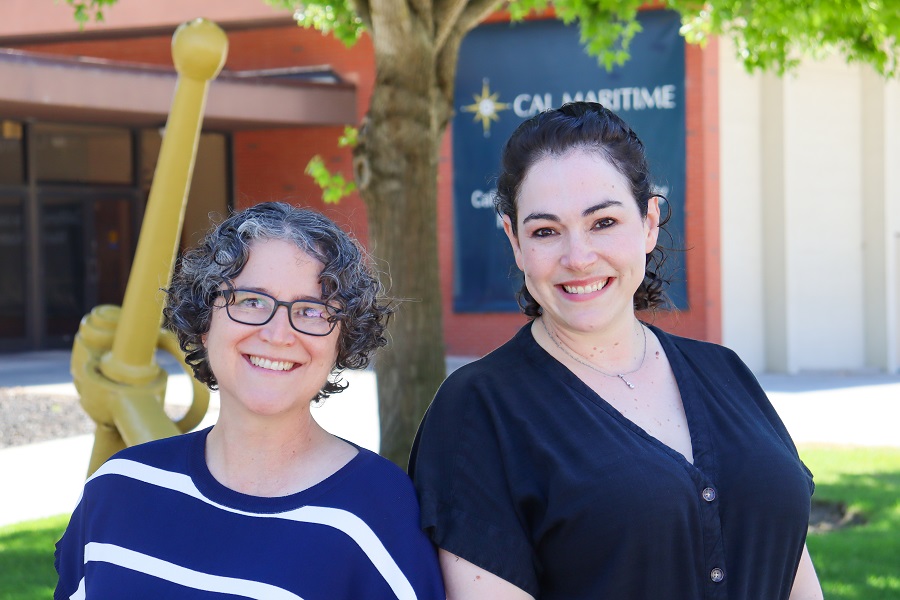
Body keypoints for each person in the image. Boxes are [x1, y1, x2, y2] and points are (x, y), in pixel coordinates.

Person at [409, 102, 823, 599]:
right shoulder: (479, 410)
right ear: (515, 242)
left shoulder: (726, 372)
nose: (578, 258)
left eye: (602, 222)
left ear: (649, 222)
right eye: (545, 231)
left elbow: (795, 568)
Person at [55, 202, 445, 599]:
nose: (278, 334)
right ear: (205, 322)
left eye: (311, 310)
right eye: (252, 301)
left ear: (342, 340)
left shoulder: (380, 514)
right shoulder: (118, 488)